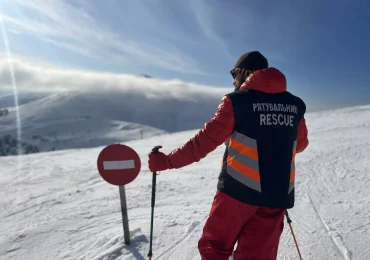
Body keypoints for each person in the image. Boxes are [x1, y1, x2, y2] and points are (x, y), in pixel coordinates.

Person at [148, 51, 309, 260]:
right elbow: (300, 144)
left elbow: (203, 142)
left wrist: (167, 161)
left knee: (215, 248)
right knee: (257, 255)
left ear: (244, 74)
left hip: (236, 192)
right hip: (276, 195)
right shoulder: (295, 105)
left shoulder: (236, 102)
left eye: (235, 74)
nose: (234, 81)